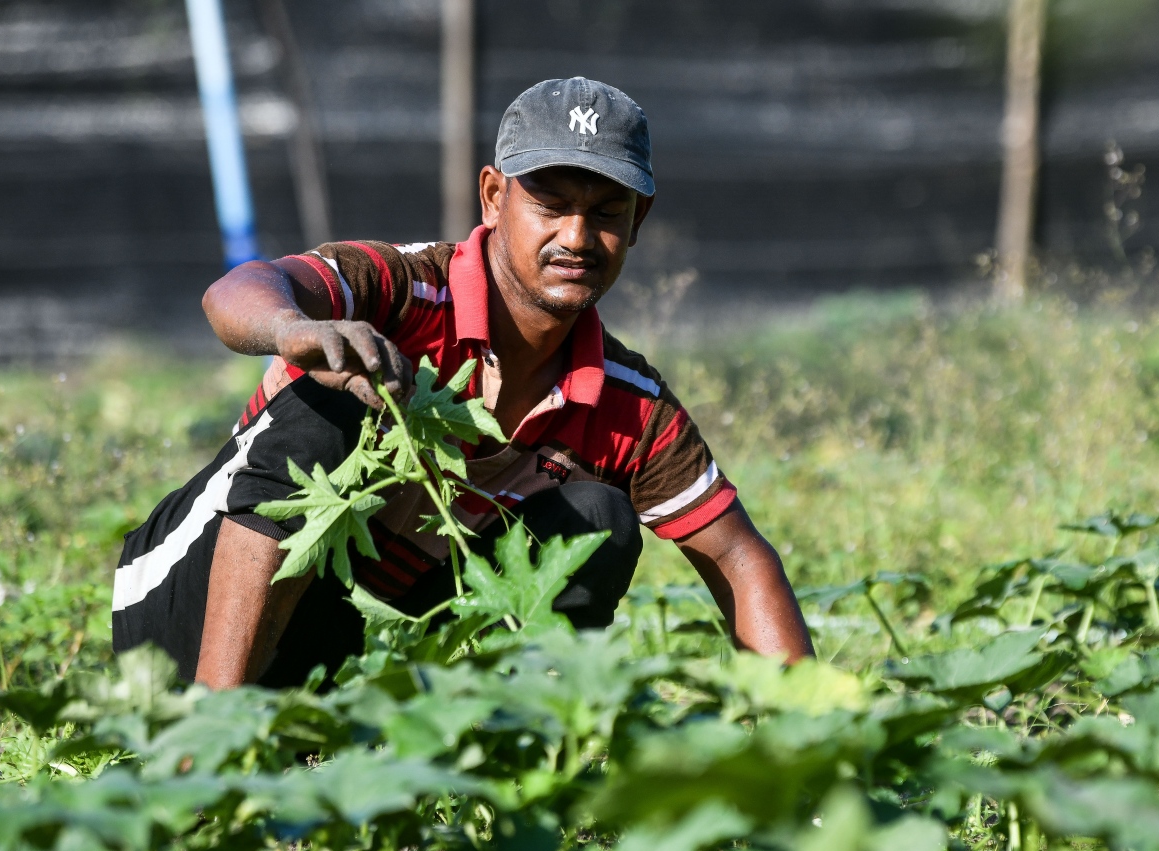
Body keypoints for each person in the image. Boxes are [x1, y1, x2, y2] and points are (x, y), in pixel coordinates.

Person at [112, 77, 812, 688]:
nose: (575, 235)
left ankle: (485, 764)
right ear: (493, 197)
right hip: (180, 624)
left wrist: (815, 749)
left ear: (638, 223)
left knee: (598, 521)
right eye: (551, 203)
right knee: (335, 399)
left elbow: (740, 557)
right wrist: (294, 331)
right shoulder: (404, 289)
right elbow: (238, 290)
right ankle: (209, 745)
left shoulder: (628, 403)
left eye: (605, 213)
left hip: (344, 659)